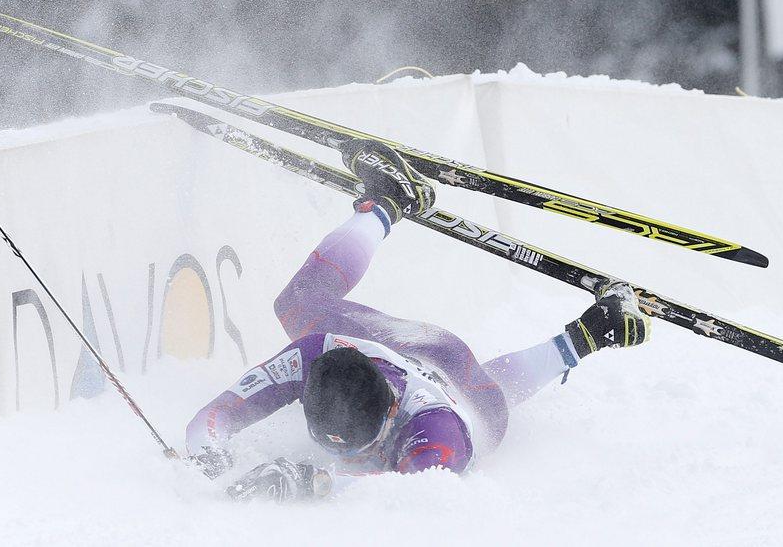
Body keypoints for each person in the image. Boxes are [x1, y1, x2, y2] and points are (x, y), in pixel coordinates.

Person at [185, 140, 652, 501]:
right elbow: (214, 417)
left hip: (459, 389)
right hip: (398, 343)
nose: (359, 458)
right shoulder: (315, 354)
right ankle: (388, 203)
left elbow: (401, 496)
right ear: (305, 387)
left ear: (393, 411)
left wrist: (307, 481)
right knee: (297, 302)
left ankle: (590, 334)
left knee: (489, 396)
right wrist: (209, 453)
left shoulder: (438, 429)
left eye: (366, 448)